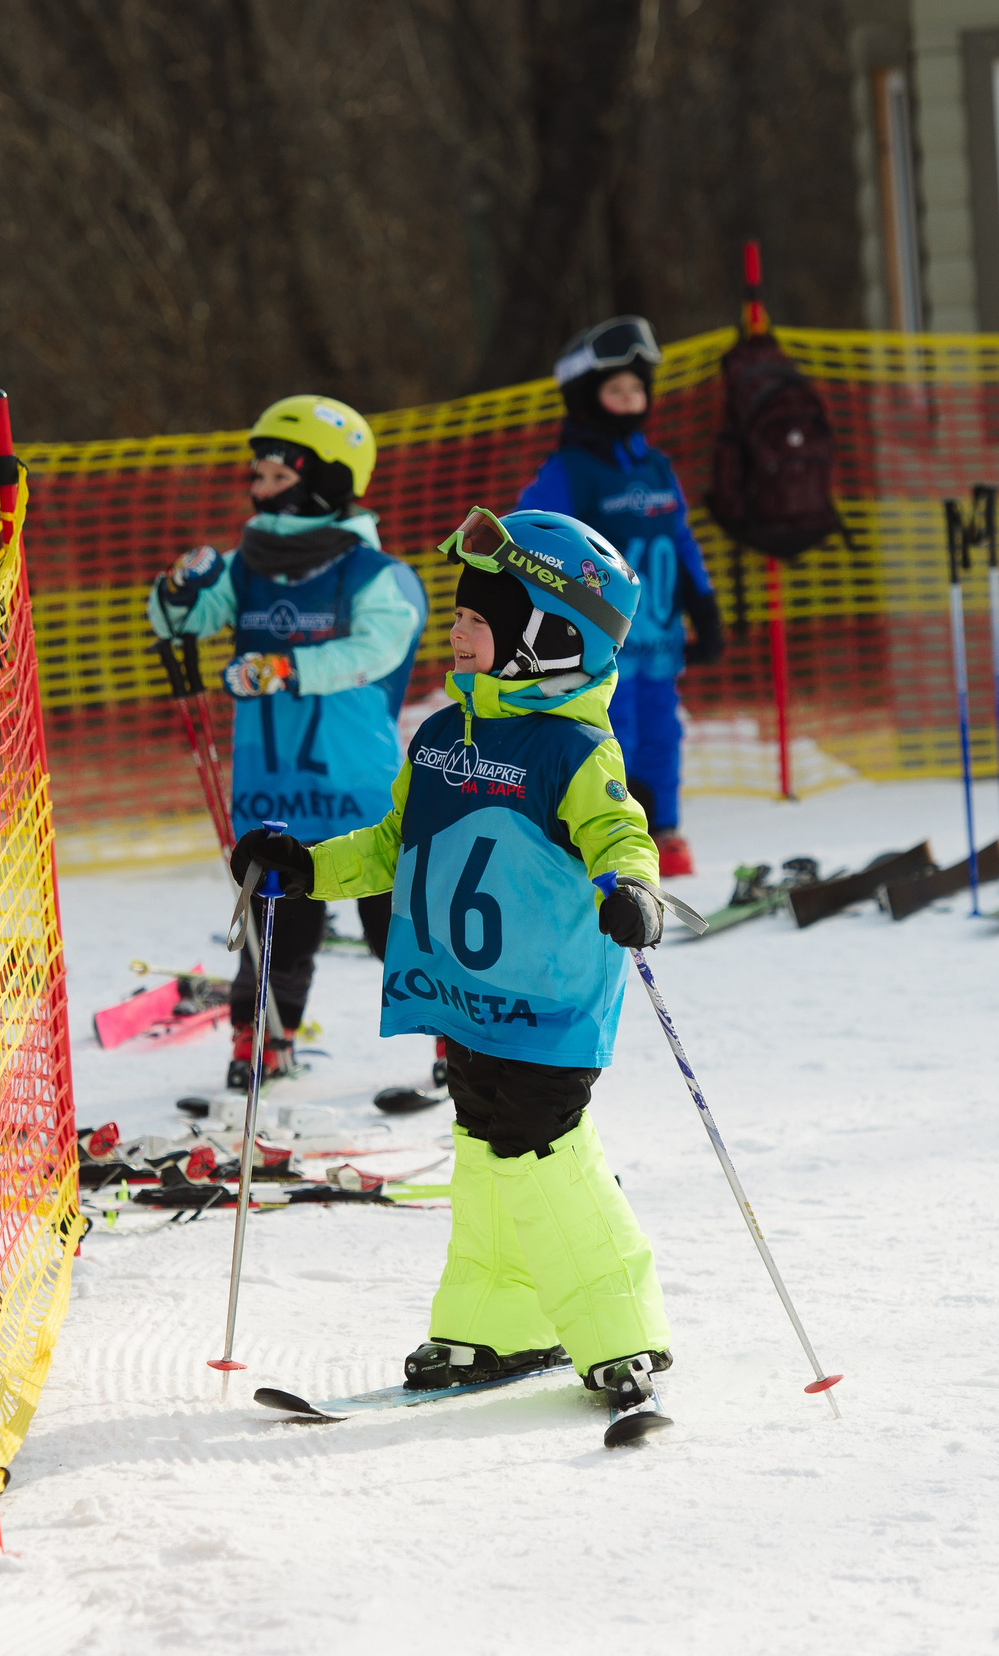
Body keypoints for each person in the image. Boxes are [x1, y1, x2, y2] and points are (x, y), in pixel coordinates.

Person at [229, 507, 677, 1429]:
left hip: (547, 1002)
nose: (457, 628)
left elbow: (621, 833)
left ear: (547, 636)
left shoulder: (574, 750)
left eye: (481, 616)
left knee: (539, 1149)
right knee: (484, 1149)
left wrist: (635, 888)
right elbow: (395, 843)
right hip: (466, 999)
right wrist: (307, 867)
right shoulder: (440, 736)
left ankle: (619, 1322)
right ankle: (496, 1320)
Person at [148, 396, 426, 1089]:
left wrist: (285, 667)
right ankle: (262, 1038)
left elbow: (375, 650)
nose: (258, 488)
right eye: (258, 476)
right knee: (280, 919)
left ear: (327, 480)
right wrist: (179, 589)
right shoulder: (249, 566)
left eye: (276, 477)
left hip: (359, 787)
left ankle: (454, 1047)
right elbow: (180, 624)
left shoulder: (376, 574)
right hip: (271, 785)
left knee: (391, 921)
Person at [514, 315, 724, 878]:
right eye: (616, 389)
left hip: (659, 634)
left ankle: (666, 832)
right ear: (589, 396)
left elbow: (681, 538)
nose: (630, 400)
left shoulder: (656, 466)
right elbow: (530, 535)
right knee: (613, 736)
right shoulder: (570, 471)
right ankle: (614, 838)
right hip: (601, 641)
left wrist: (704, 603)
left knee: (663, 732)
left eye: (637, 389)